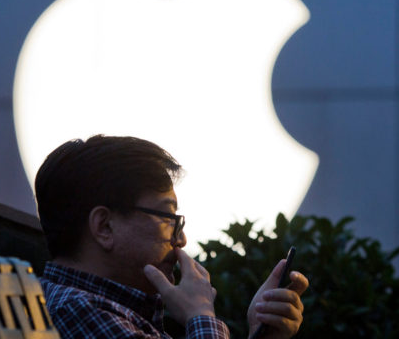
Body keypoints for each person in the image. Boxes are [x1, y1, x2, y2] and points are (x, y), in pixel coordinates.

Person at [35, 135, 309, 338]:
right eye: (169, 219)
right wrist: (200, 313)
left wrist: (262, 335)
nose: (181, 240)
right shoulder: (79, 311)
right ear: (104, 227)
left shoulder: (106, 309)